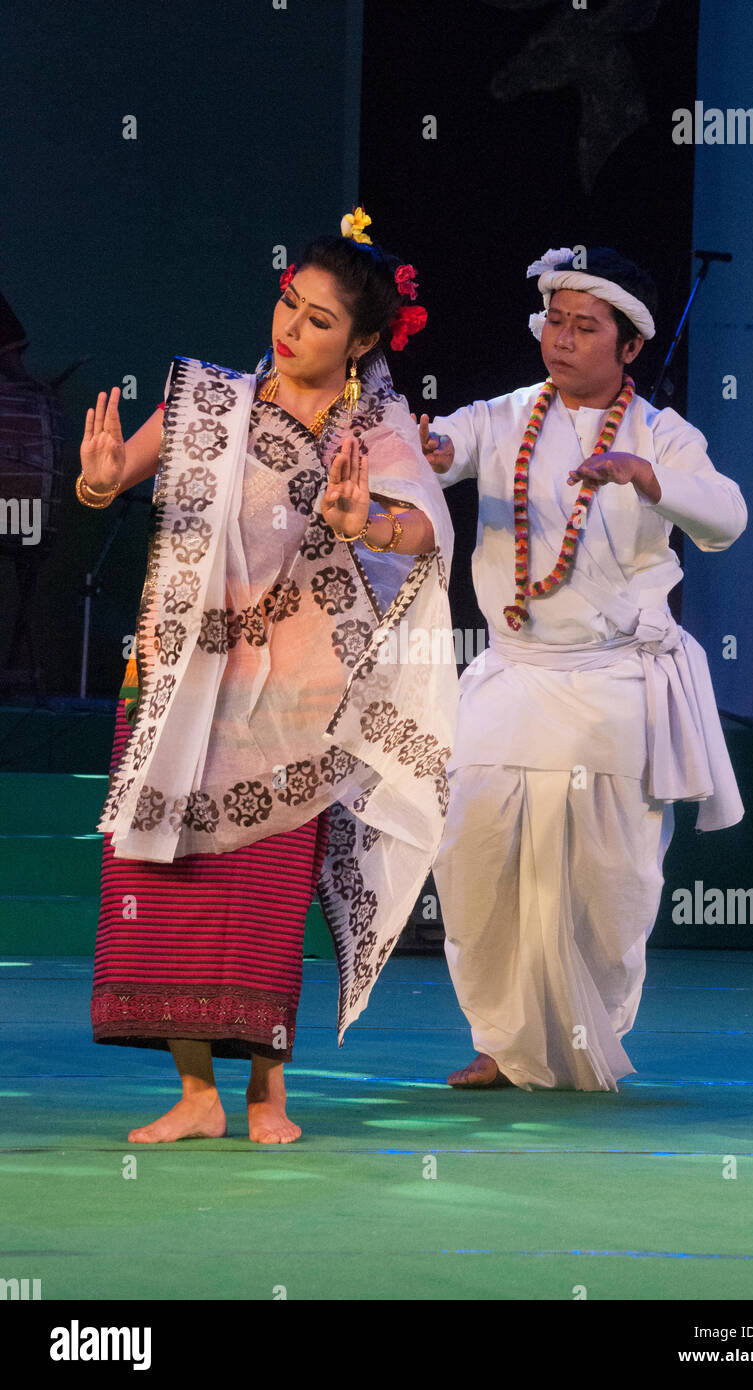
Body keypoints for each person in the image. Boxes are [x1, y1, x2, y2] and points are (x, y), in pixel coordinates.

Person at [80, 209, 458, 1142]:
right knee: (162, 884)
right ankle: (198, 1094)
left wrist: (366, 518)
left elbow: (421, 533)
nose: (290, 329)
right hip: (177, 683)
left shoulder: (375, 431)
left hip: (293, 701)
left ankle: (266, 1094)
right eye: (289, 305)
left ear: (364, 342)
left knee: (260, 894)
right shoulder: (211, 405)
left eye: (318, 321)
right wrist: (95, 480)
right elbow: (119, 475)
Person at [419, 245, 746, 1092]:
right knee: (474, 854)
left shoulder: (663, 434)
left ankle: (589, 1029)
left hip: (610, 684)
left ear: (629, 345)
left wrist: (646, 478)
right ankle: (500, 1037)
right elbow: (441, 448)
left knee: (608, 877)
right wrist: (417, 445)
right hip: (514, 671)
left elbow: (726, 517)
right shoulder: (503, 415)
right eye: (554, 323)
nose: (561, 341)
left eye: (584, 327)